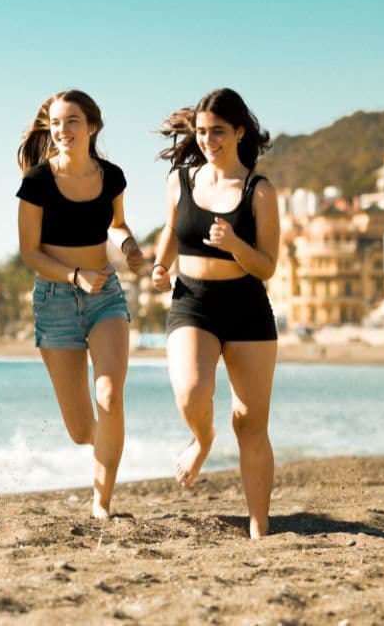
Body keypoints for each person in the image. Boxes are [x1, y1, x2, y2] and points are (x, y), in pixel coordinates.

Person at [150, 88, 279, 538]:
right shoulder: (180, 181)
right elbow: (170, 230)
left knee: (250, 421)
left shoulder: (258, 190)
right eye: (202, 132)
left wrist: (235, 245)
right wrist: (159, 266)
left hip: (247, 308)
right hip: (193, 303)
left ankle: (259, 525)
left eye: (218, 132)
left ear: (239, 132)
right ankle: (203, 440)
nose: (208, 140)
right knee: (191, 390)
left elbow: (267, 265)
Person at [16, 89, 142, 520]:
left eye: (72, 121)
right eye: (56, 123)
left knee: (110, 397)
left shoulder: (112, 176)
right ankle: (106, 444)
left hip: (105, 296)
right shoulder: (36, 181)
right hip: (55, 302)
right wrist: (73, 276)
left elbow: (117, 224)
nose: (63, 130)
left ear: (91, 126)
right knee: (80, 429)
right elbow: (30, 252)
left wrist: (129, 246)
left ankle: (101, 504)